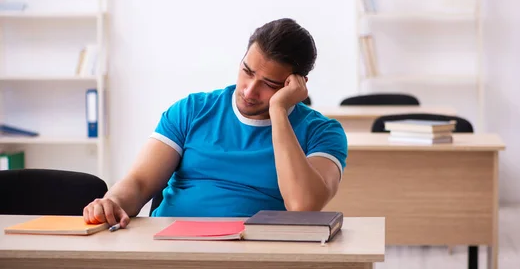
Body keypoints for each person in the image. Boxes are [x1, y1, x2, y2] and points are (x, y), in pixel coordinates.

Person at [83, 18, 348, 228]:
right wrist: (112, 202)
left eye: (269, 84)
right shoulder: (192, 110)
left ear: (295, 85)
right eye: (247, 71)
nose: (249, 91)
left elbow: (303, 207)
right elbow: (140, 182)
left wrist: (278, 110)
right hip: (170, 247)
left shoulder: (322, 132)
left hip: (256, 256)